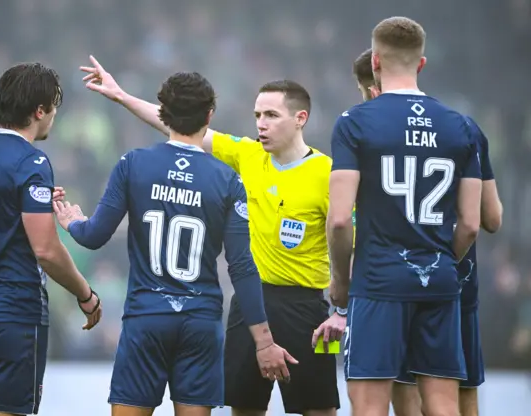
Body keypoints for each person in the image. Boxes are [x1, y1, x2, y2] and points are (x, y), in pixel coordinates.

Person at [79, 56, 343, 416]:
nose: (261, 125)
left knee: (321, 408)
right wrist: (122, 97)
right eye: (257, 116)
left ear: (301, 119)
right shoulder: (247, 155)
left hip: (309, 307)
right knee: (244, 407)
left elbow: (350, 243)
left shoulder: (329, 173)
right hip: (248, 305)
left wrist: (343, 309)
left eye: (271, 116)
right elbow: (180, 124)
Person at [328, 17, 484, 416]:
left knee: (369, 406)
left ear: (375, 62)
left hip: (378, 281)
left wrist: (342, 282)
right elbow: (470, 223)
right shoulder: (461, 126)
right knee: (443, 404)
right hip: (440, 282)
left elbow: (341, 220)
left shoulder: (355, 122)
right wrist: (439, 259)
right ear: (422, 63)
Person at [0, 63, 103, 416]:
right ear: (39, 110)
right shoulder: (31, 162)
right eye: (54, 108)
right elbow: (45, 251)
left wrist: (30, 205)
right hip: (12, 315)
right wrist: (85, 294)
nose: (54, 117)